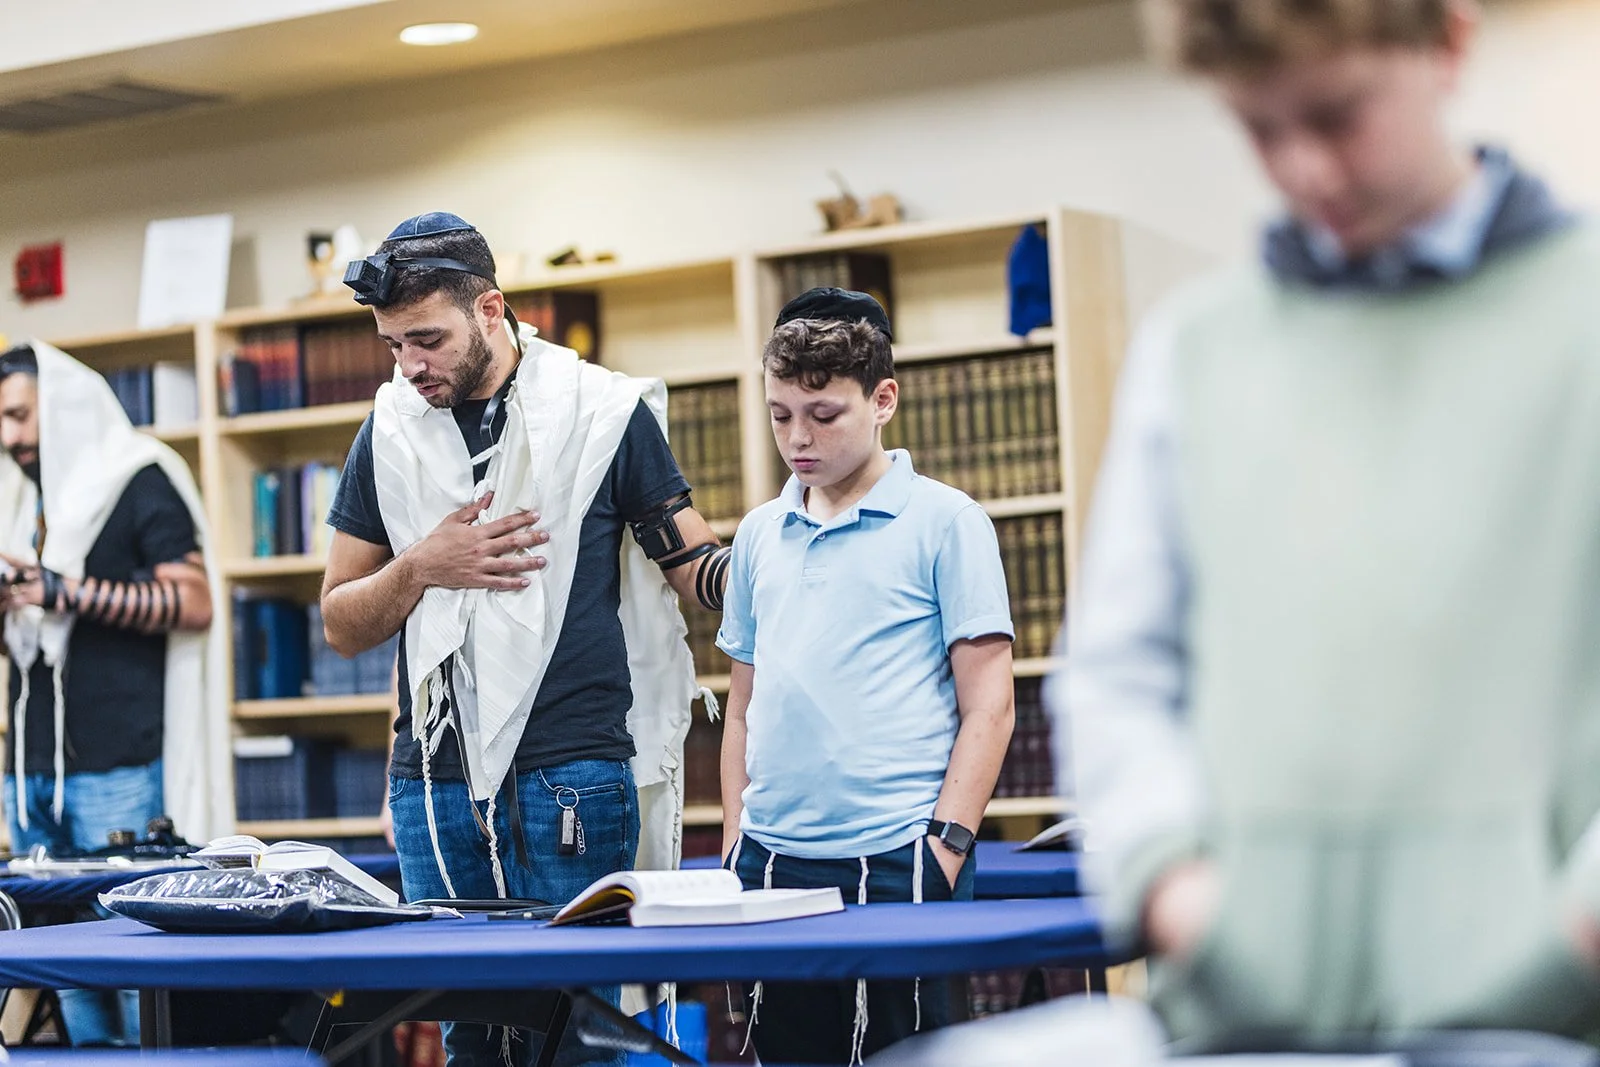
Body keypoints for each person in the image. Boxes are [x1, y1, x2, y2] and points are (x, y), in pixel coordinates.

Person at [1056, 0, 1600, 1046]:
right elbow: (1118, 670)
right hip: (1248, 1022)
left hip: (1557, 1022)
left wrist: (1575, 929)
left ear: (1446, 42)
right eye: (1259, 128)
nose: (1304, 170)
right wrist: (1177, 890)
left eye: (1337, 114)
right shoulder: (1192, 351)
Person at [321, 212, 730, 1067]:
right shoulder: (387, 432)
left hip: (572, 769)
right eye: (393, 345)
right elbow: (341, 620)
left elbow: (693, 565)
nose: (410, 365)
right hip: (433, 780)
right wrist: (421, 566)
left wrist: (789, 562)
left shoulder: (600, 412)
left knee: (576, 1035)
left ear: (490, 310)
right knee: (469, 1032)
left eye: (427, 339)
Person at [716, 287, 1016, 1065]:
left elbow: (991, 705)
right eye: (781, 414)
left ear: (883, 400)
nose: (798, 437)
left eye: (823, 414)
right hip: (772, 863)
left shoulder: (948, 522)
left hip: (900, 856)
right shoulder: (757, 534)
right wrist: (735, 839)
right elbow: (742, 705)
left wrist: (946, 845)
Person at [0, 341, 228, 1047]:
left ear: (62, 408)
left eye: (19, 416)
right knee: (64, 959)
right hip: (29, 770)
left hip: (119, 766)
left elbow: (192, 601)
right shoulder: (21, 499)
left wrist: (62, 591)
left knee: (133, 959)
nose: (9, 437)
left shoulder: (136, 477)